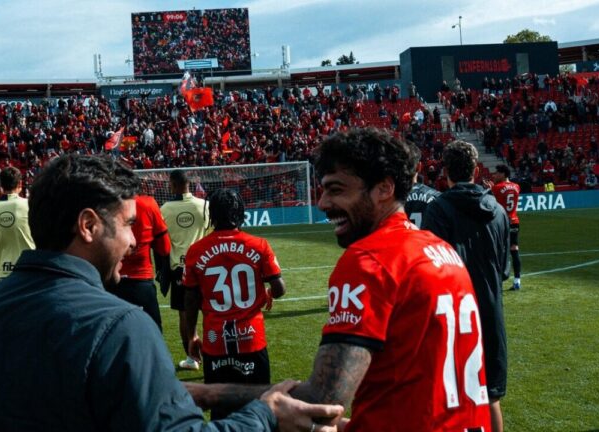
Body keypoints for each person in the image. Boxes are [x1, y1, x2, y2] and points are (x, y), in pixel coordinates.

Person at [0, 154, 343, 432]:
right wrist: (265, 415)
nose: (134, 241)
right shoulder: (119, 326)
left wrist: (202, 392)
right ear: (88, 226)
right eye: (128, 224)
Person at [191, 129, 493, 431]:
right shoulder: (443, 251)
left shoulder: (370, 260)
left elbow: (322, 399)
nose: (323, 203)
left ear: (384, 188)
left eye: (336, 190)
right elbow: (417, 389)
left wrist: (201, 394)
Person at [423, 140, 510, 432]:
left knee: (446, 397)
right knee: (491, 396)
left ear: (445, 171)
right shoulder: (498, 211)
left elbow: (431, 267)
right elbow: (503, 269)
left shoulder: (438, 210)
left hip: (451, 313)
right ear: (475, 170)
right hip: (490, 311)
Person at [183, 188, 286, 419]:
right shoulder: (259, 245)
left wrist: (192, 335)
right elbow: (279, 288)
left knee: (220, 410)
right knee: (258, 408)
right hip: (252, 339)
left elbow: (190, 299)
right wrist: (268, 292)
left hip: (215, 341)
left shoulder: (195, 251)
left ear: (212, 214)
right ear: (240, 212)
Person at [161, 169, 211, 371]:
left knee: (184, 314)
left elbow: (162, 241)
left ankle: (192, 359)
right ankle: (214, 355)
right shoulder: (204, 205)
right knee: (209, 311)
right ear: (189, 184)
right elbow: (210, 232)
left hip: (180, 268)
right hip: (204, 265)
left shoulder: (165, 209)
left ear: (173, 184)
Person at [109, 193, 171, 331]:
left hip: (109, 282)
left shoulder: (103, 202)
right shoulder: (147, 204)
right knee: (152, 334)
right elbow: (165, 248)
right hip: (140, 280)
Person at [0, 166, 35, 280]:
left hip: (3, 273)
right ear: (20, 183)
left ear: (1, 185)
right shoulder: (28, 204)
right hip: (28, 270)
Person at [484, 164, 522, 291]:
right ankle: (517, 281)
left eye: (497, 173)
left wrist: (490, 189)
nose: (494, 175)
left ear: (503, 174)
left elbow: (490, 202)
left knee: (498, 250)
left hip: (502, 222)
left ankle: (497, 280)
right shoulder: (517, 186)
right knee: (514, 249)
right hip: (514, 221)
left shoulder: (497, 188)